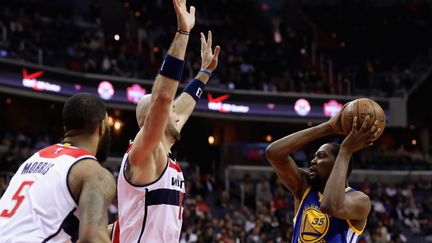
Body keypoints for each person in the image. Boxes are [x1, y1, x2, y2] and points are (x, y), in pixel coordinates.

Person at [111, 0, 220, 242]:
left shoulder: (161, 151)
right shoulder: (145, 152)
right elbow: (163, 96)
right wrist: (183, 33)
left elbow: (181, 107)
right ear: (155, 118)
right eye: (169, 110)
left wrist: (204, 73)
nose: (176, 113)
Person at [0, 93, 116, 242]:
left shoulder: (33, 159)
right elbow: (93, 239)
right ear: (102, 128)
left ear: (65, 128)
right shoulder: (94, 173)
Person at [266, 112, 381, 242]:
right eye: (314, 156)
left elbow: (331, 206)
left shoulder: (360, 200)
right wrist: (327, 127)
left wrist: (346, 151)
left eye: (320, 156)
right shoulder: (305, 188)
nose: (313, 161)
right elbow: (273, 153)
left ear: (339, 163)